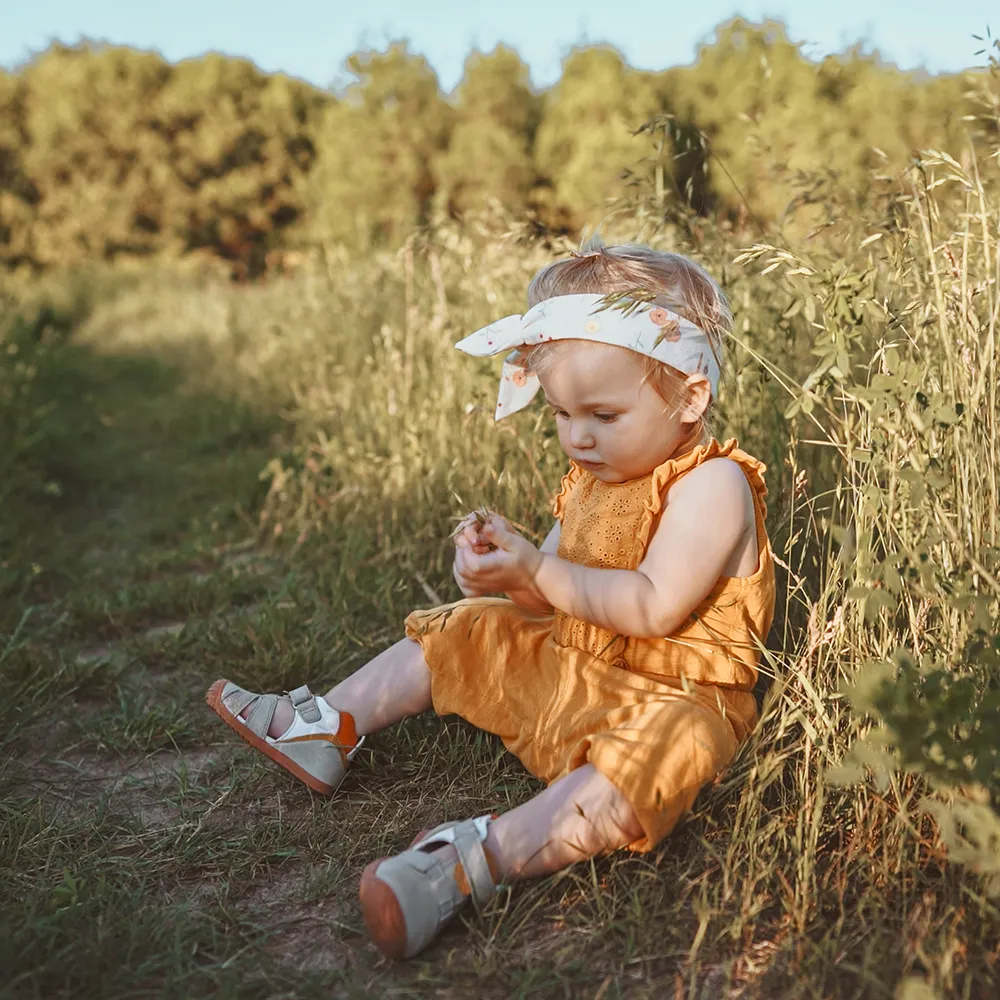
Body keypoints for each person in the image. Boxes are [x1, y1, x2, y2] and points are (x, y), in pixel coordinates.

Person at [206, 237, 776, 960]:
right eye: (563, 415)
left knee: (672, 749)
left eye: (603, 415)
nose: (578, 437)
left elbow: (653, 605)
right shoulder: (592, 484)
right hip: (573, 672)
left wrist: (539, 572)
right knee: (475, 626)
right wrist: (506, 578)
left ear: (690, 396)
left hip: (672, 695)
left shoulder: (712, 485)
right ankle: (326, 723)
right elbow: (548, 604)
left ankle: (475, 858)